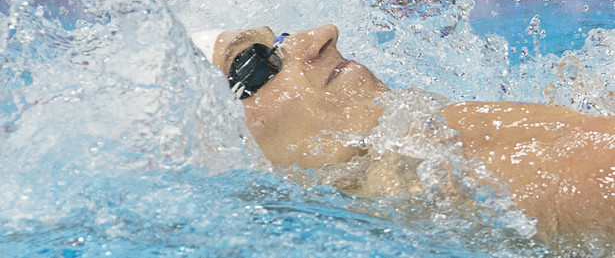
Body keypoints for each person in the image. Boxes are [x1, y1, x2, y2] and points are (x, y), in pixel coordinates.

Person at [191, 24, 615, 239]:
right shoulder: (443, 176)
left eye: (282, 36)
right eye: (253, 63)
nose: (321, 34)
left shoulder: (436, 159)